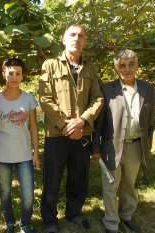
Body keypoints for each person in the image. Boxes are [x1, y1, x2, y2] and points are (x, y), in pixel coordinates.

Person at [38, 24, 104, 233]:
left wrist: (82, 121)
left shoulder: (91, 68)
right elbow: (45, 98)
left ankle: (74, 213)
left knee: (79, 177)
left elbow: (97, 98)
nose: (76, 38)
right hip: (57, 133)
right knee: (52, 179)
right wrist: (67, 124)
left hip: (82, 133)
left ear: (85, 41)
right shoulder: (50, 65)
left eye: (81, 36)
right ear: (64, 39)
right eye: (72, 35)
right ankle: (50, 220)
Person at [91, 49, 155, 233]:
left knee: (129, 184)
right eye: (122, 65)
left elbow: (150, 123)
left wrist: (147, 147)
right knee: (111, 185)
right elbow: (99, 123)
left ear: (136, 65)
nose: (127, 68)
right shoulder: (106, 89)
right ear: (116, 68)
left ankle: (126, 215)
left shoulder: (148, 89)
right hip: (111, 146)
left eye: (131, 64)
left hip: (136, 146)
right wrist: (96, 148)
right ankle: (111, 223)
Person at [0, 58, 40, 233]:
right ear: (4, 74)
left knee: (28, 195)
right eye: (10, 73)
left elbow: (33, 127)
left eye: (18, 73)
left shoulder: (29, 99)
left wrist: (36, 153)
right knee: (5, 192)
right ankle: (9, 223)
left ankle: (25, 224)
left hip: (24, 154)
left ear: (22, 75)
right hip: (1, 155)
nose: (14, 77)